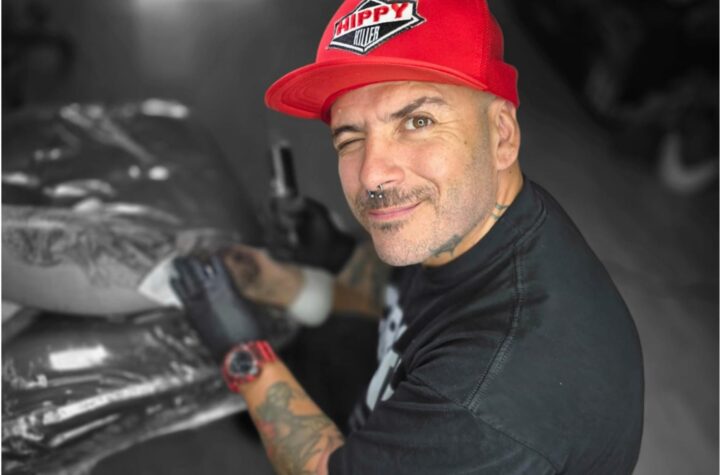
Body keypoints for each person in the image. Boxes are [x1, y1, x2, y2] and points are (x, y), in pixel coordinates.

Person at [171, 1, 644, 474]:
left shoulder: (485, 398)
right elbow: (409, 303)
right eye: (350, 138)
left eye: (418, 122)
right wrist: (313, 267)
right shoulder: (471, 217)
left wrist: (243, 352)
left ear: (502, 135)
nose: (372, 175)